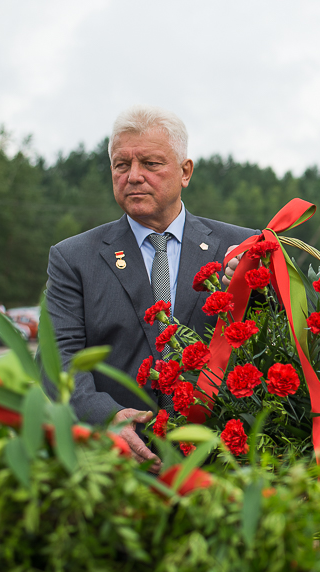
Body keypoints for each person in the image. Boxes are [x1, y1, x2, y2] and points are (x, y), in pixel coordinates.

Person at [46, 105, 258, 472]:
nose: (134, 177)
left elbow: (274, 341)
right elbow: (59, 358)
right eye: (121, 165)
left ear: (185, 171)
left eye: (151, 164)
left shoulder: (241, 248)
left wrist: (257, 291)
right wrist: (105, 417)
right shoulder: (73, 258)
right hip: (115, 466)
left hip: (222, 464)